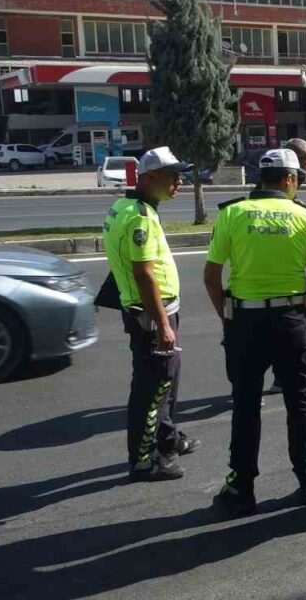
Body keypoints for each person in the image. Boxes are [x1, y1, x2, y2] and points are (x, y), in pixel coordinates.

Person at [203, 148, 306, 517]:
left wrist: (227, 318)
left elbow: (211, 276)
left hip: (245, 323)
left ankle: (241, 487)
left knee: (245, 404)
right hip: (291, 321)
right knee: (298, 401)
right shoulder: (304, 216)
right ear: (289, 179)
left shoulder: (232, 214)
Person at [101, 146, 200, 482]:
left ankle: (168, 438)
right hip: (151, 314)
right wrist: (162, 324)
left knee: (165, 382)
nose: (179, 183)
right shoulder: (140, 216)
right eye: (173, 176)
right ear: (151, 177)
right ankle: (145, 461)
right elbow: (143, 273)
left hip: (149, 310)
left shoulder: (124, 206)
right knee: (154, 388)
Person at [261, 137, 306, 397]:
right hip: (283, 266)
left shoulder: (270, 174)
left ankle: (276, 379)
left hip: (265, 263)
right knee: (295, 327)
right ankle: (290, 380)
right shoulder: (287, 179)